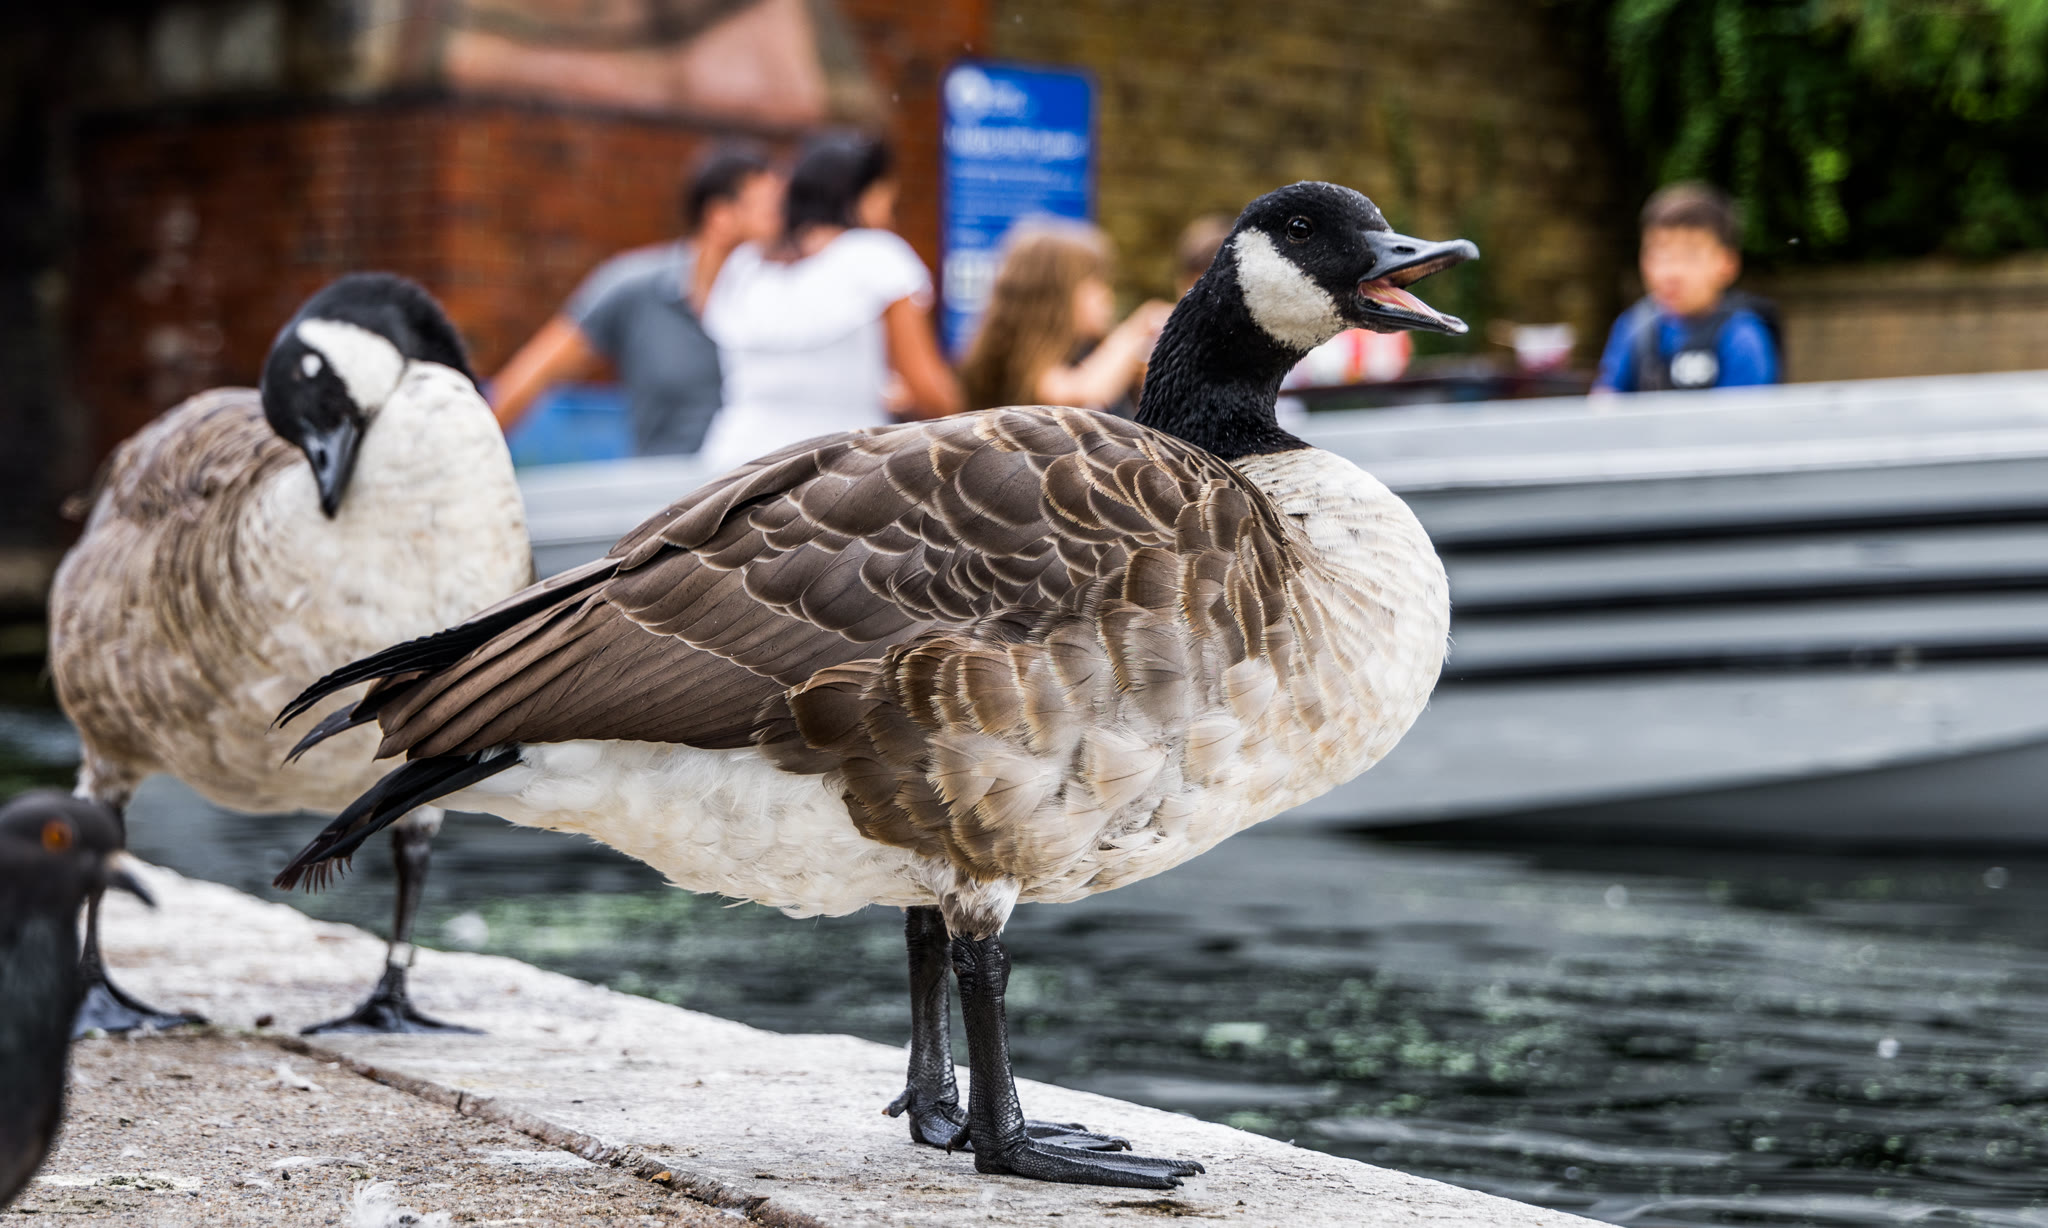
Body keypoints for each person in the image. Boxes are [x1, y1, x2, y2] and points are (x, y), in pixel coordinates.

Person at [489, 144, 783, 455]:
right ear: (720, 217)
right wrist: (471, 458)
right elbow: (532, 375)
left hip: (762, 483)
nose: (787, 223)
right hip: (662, 482)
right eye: (772, 212)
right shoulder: (634, 289)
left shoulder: (786, 302)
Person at [696, 131, 961, 470]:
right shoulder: (880, 258)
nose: (890, 217)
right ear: (860, 197)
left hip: (730, 466)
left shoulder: (744, 265)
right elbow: (929, 393)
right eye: (887, 200)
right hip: (835, 470)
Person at [957, 221, 1172, 416]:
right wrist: (1136, 328)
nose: (1106, 295)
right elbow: (1082, 392)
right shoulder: (1018, 359)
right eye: (1097, 282)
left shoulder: (1083, 351)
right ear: (1057, 295)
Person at [1595, 182, 1780, 394]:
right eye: (1659, 255)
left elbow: (1744, 413)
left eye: (1689, 256)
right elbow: (1606, 402)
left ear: (1727, 263)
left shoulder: (1742, 337)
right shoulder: (1633, 326)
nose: (1671, 272)